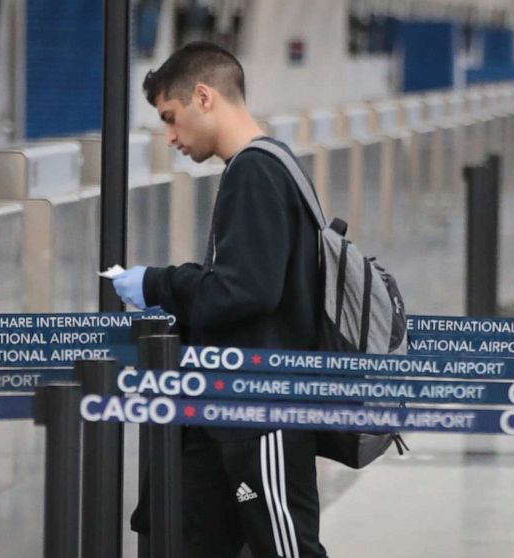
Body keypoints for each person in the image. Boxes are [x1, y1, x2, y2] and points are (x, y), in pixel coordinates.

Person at [111, 41, 328, 558]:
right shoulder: (264, 165)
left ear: (203, 97)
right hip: (228, 408)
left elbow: (246, 289)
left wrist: (158, 284)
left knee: (286, 548)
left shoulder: (256, 171)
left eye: (171, 117)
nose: (170, 137)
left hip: (263, 412)